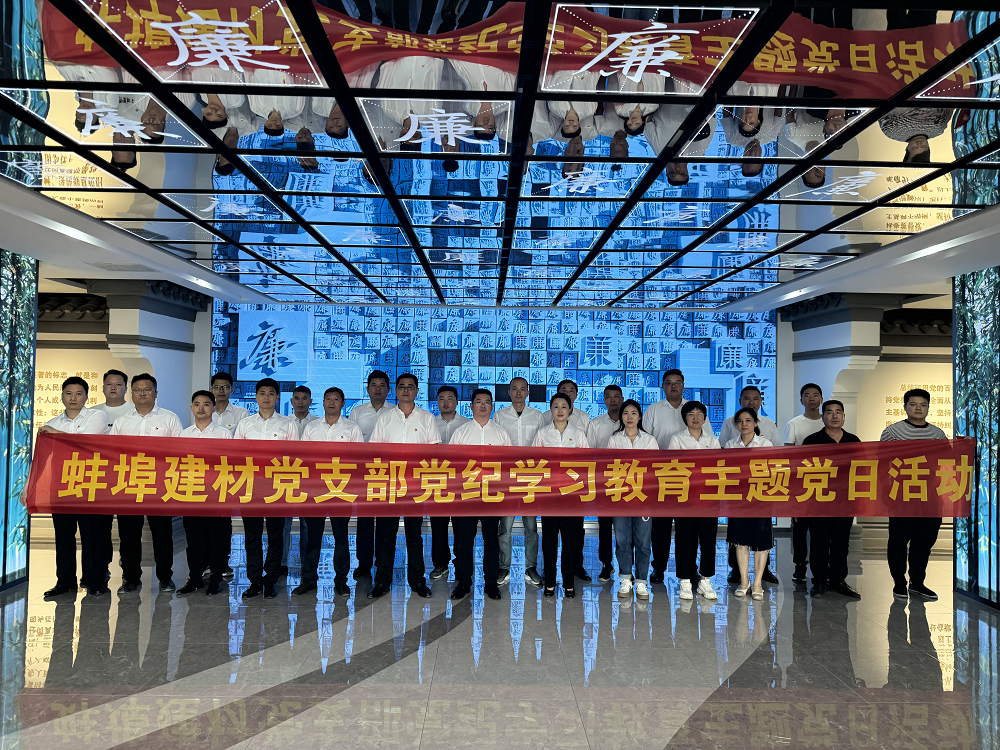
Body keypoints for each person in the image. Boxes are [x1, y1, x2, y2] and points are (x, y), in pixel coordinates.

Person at [367, 373, 441, 600]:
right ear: (396, 391)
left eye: (410, 387)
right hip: (389, 484)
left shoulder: (427, 418)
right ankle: (382, 580)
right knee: (385, 535)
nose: (406, 390)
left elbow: (434, 453)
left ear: (417, 391)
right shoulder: (385, 418)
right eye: (402, 387)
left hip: (416, 486)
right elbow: (375, 451)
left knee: (414, 536)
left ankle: (417, 580)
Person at [110, 373, 183, 594]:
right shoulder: (122, 421)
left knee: (162, 534)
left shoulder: (169, 419)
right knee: (129, 535)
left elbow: (180, 452)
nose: (142, 394)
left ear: (156, 393)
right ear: (131, 394)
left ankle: (165, 577)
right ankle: (131, 578)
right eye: (137, 390)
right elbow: (112, 453)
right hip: (128, 485)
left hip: (159, 485)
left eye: (147, 389)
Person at [38, 377, 111, 597]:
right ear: (61, 396)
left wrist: (54, 434)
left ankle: (94, 580)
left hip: (90, 484)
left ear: (86, 396)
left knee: (92, 535)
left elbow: (84, 442)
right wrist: (29, 489)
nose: (73, 398)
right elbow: (42, 460)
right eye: (68, 393)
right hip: (61, 485)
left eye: (78, 394)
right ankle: (65, 581)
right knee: (63, 536)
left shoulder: (97, 416)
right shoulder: (54, 422)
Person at [642, 369, 714, 584]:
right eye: (669, 382)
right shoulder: (653, 410)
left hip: (692, 482)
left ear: (683, 386)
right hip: (660, 478)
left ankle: (690, 567)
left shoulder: (694, 410)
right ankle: (659, 567)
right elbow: (645, 440)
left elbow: (709, 443)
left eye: (677, 383)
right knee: (661, 527)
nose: (673, 386)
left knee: (689, 529)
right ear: (663, 386)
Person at [234, 378, 298, 600]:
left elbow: (293, 458)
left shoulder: (288, 425)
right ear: (256, 396)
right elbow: (236, 455)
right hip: (250, 487)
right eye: (262, 393)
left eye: (271, 393)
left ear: (277, 397)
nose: (267, 397)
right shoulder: (245, 424)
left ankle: (271, 579)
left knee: (275, 535)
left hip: (277, 487)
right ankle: (254, 580)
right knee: (251, 536)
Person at [296, 387, 364, 598]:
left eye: (336, 399)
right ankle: (309, 580)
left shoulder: (352, 428)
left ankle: (341, 581)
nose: (332, 402)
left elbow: (358, 460)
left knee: (341, 537)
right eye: (328, 399)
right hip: (316, 489)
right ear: (323, 402)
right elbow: (303, 459)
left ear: (343, 404)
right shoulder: (312, 427)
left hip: (341, 490)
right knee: (312, 537)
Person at [882, 388, 948, 602]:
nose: (918, 408)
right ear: (905, 407)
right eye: (913, 404)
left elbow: (948, 462)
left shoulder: (937, 434)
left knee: (925, 540)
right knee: (899, 540)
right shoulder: (893, 432)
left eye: (923, 405)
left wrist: (963, 445)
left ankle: (917, 583)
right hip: (902, 496)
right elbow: (881, 463)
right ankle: (899, 583)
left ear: (928, 407)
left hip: (930, 496)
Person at [448, 389, 508, 601]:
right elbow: (451, 464)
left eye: (487, 402)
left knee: (491, 540)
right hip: (466, 495)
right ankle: (463, 581)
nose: (483, 406)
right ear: (471, 406)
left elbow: (508, 464)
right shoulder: (461, 433)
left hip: (492, 494)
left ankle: (491, 582)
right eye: (479, 402)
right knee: (464, 540)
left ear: (492, 406)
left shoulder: (501, 433)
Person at [720, 385, 780, 585]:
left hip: (760, 492)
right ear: (740, 401)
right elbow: (722, 454)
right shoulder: (729, 429)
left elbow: (777, 457)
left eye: (755, 398)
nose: (751, 402)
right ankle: (737, 572)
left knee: (762, 532)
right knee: (737, 533)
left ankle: (762, 573)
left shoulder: (768, 429)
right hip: (737, 492)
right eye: (747, 398)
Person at [802, 401, 861, 599]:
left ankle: (838, 580)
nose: (834, 416)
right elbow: (802, 470)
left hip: (845, 500)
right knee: (819, 541)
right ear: (822, 416)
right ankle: (819, 580)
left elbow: (862, 470)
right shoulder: (812, 441)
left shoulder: (853, 441)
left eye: (838, 412)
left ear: (844, 417)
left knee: (841, 542)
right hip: (818, 500)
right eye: (829, 412)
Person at [533, 393, 590, 598]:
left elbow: (586, 463)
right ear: (550, 410)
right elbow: (534, 462)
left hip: (572, 496)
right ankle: (549, 582)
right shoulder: (542, 433)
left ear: (570, 410)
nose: (559, 410)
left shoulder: (579, 434)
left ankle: (568, 583)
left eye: (564, 406)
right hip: (549, 495)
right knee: (549, 540)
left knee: (570, 540)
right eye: (555, 406)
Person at [177, 390, 232, 596]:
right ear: (191, 408)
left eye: (206, 404)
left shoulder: (223, 434)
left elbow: (229, 464)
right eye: (197, 404)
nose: (201, 408)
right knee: (194, 540)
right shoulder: (184, 435)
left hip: (216, 494)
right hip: (191, 494)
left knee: (217, 539)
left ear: (214, 408)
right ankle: (194, 578)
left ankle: (216, 578)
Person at [494, 376, 545, 586]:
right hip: (507, 477)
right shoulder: (499, 416)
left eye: (522, 389)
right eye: (514, 389)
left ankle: (530, 567)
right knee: (505, 526)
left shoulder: (538, 416)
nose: (518, 393)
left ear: (528, 392)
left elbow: (543, 446)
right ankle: (503, 567)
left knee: (531, 526)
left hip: (530, 477)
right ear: (508, 392)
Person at [668, 401, 721, 601]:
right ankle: (685, 580)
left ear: (705, 418)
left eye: (700, 414)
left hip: (708, 499)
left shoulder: (713, 440)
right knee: (684, 539)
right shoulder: (677, 439)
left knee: (708, 540)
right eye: (691, 414)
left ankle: (705, 580)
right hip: (685, 498)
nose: (696, 418)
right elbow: (672, 468)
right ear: (685, 418)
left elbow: (717, 468)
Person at [608, 399, 657, 601]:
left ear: (640, 416)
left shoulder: (650, 441)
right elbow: (609, 468)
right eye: (626, 413)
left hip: (643, 497)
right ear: (621, 417)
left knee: (643, 541)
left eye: (634, 413)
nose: (629, 417)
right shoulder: (614, 440)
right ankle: (626, 578)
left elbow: (655, 469)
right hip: (620, 497)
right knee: (622, 540)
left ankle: (642, 581)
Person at [724, 407, 774, 600]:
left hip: (760, 498)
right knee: (740, 540)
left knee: (761, 541)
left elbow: (771, 471)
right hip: (737, 498)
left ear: (755, 423)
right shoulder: (730, 445)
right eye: (740, 421)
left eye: (748, 420)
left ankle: (758, 583)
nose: (744, 424)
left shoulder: (766, 444)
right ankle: (744, 582)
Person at [348, 370, 392, 580]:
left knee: (384, 522)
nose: (378, 389)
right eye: (374, 385)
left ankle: (382, 562)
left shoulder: (395, 413)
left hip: (389, 473)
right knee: (364, 521)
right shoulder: (357, 412)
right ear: (367, 389)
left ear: (389, 390)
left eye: (382, 385)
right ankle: (364, 563)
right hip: (364, 474)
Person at [785, 383, 825, 585]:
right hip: (802, 482)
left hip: (826, 483)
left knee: (821, 528)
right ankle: (800, 565)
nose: (811, 398)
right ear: (801, 400)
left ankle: (822, 566)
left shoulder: (829, 422)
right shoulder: (794, 424)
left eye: (815, 395)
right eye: (807, 395)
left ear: (821, 399)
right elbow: (788, 454)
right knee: (800, 528)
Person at [209, 371, 246, 581]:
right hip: (205, 474)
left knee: (223, 521)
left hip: (228, 474)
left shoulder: (241, 414)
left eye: (225, 387)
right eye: (217, 387)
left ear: (232, 389)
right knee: (206, 520)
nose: (221, 391)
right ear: (212, 389)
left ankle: (223, 561)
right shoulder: (206, 409)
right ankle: (207, 562)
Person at [586, 384, 624, 583]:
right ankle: (606, 564)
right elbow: (589, 453)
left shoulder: (631, 421)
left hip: (628, 481)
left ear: (622, 398)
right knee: (605, 525)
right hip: (604, 481)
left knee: (627, 527)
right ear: (604, 400)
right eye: (608, 396)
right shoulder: (596, 423)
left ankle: (627, 566)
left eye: (616, 396)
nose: (612, 400)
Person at [430, 385, 468, 582]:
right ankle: (440, 563)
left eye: (450, 398)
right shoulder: (430, 422)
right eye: (442, 398)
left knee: (461, 525)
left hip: (461, 482)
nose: (446, 402)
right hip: (437, 479)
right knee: (438, 524)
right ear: (437, 402)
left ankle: (461, 561)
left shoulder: (467, 424)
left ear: (457, 401)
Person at [285, 385, 317, 573]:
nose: (300, 402)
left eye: (304, 398)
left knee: (307, 525)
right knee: (284, 523)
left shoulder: (318, 423)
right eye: (297, 398)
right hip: (286, 477)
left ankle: (307, 564)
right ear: (291, 401)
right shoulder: (283, 423)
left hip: (309, 479)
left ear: (310, 401)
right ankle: (282, 563)